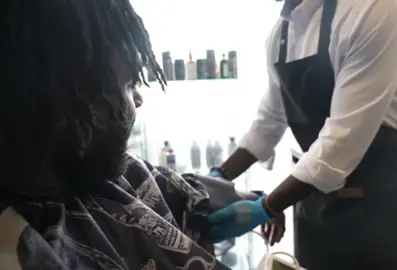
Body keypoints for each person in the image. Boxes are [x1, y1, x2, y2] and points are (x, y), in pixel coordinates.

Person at [0, 1, 229, 269]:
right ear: (71, 97)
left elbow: (192, 192)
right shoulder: (20, 253)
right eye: (129, 84)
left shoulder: (93, 173)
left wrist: (264, 205)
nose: (139, 99)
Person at [207, 0, 397, 269]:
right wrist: (218, 178)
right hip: (316, 208)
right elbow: (269, 121)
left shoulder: (375, 10)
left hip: (381, 212)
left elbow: (341, 139)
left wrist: (265, 207)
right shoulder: (281, 34)